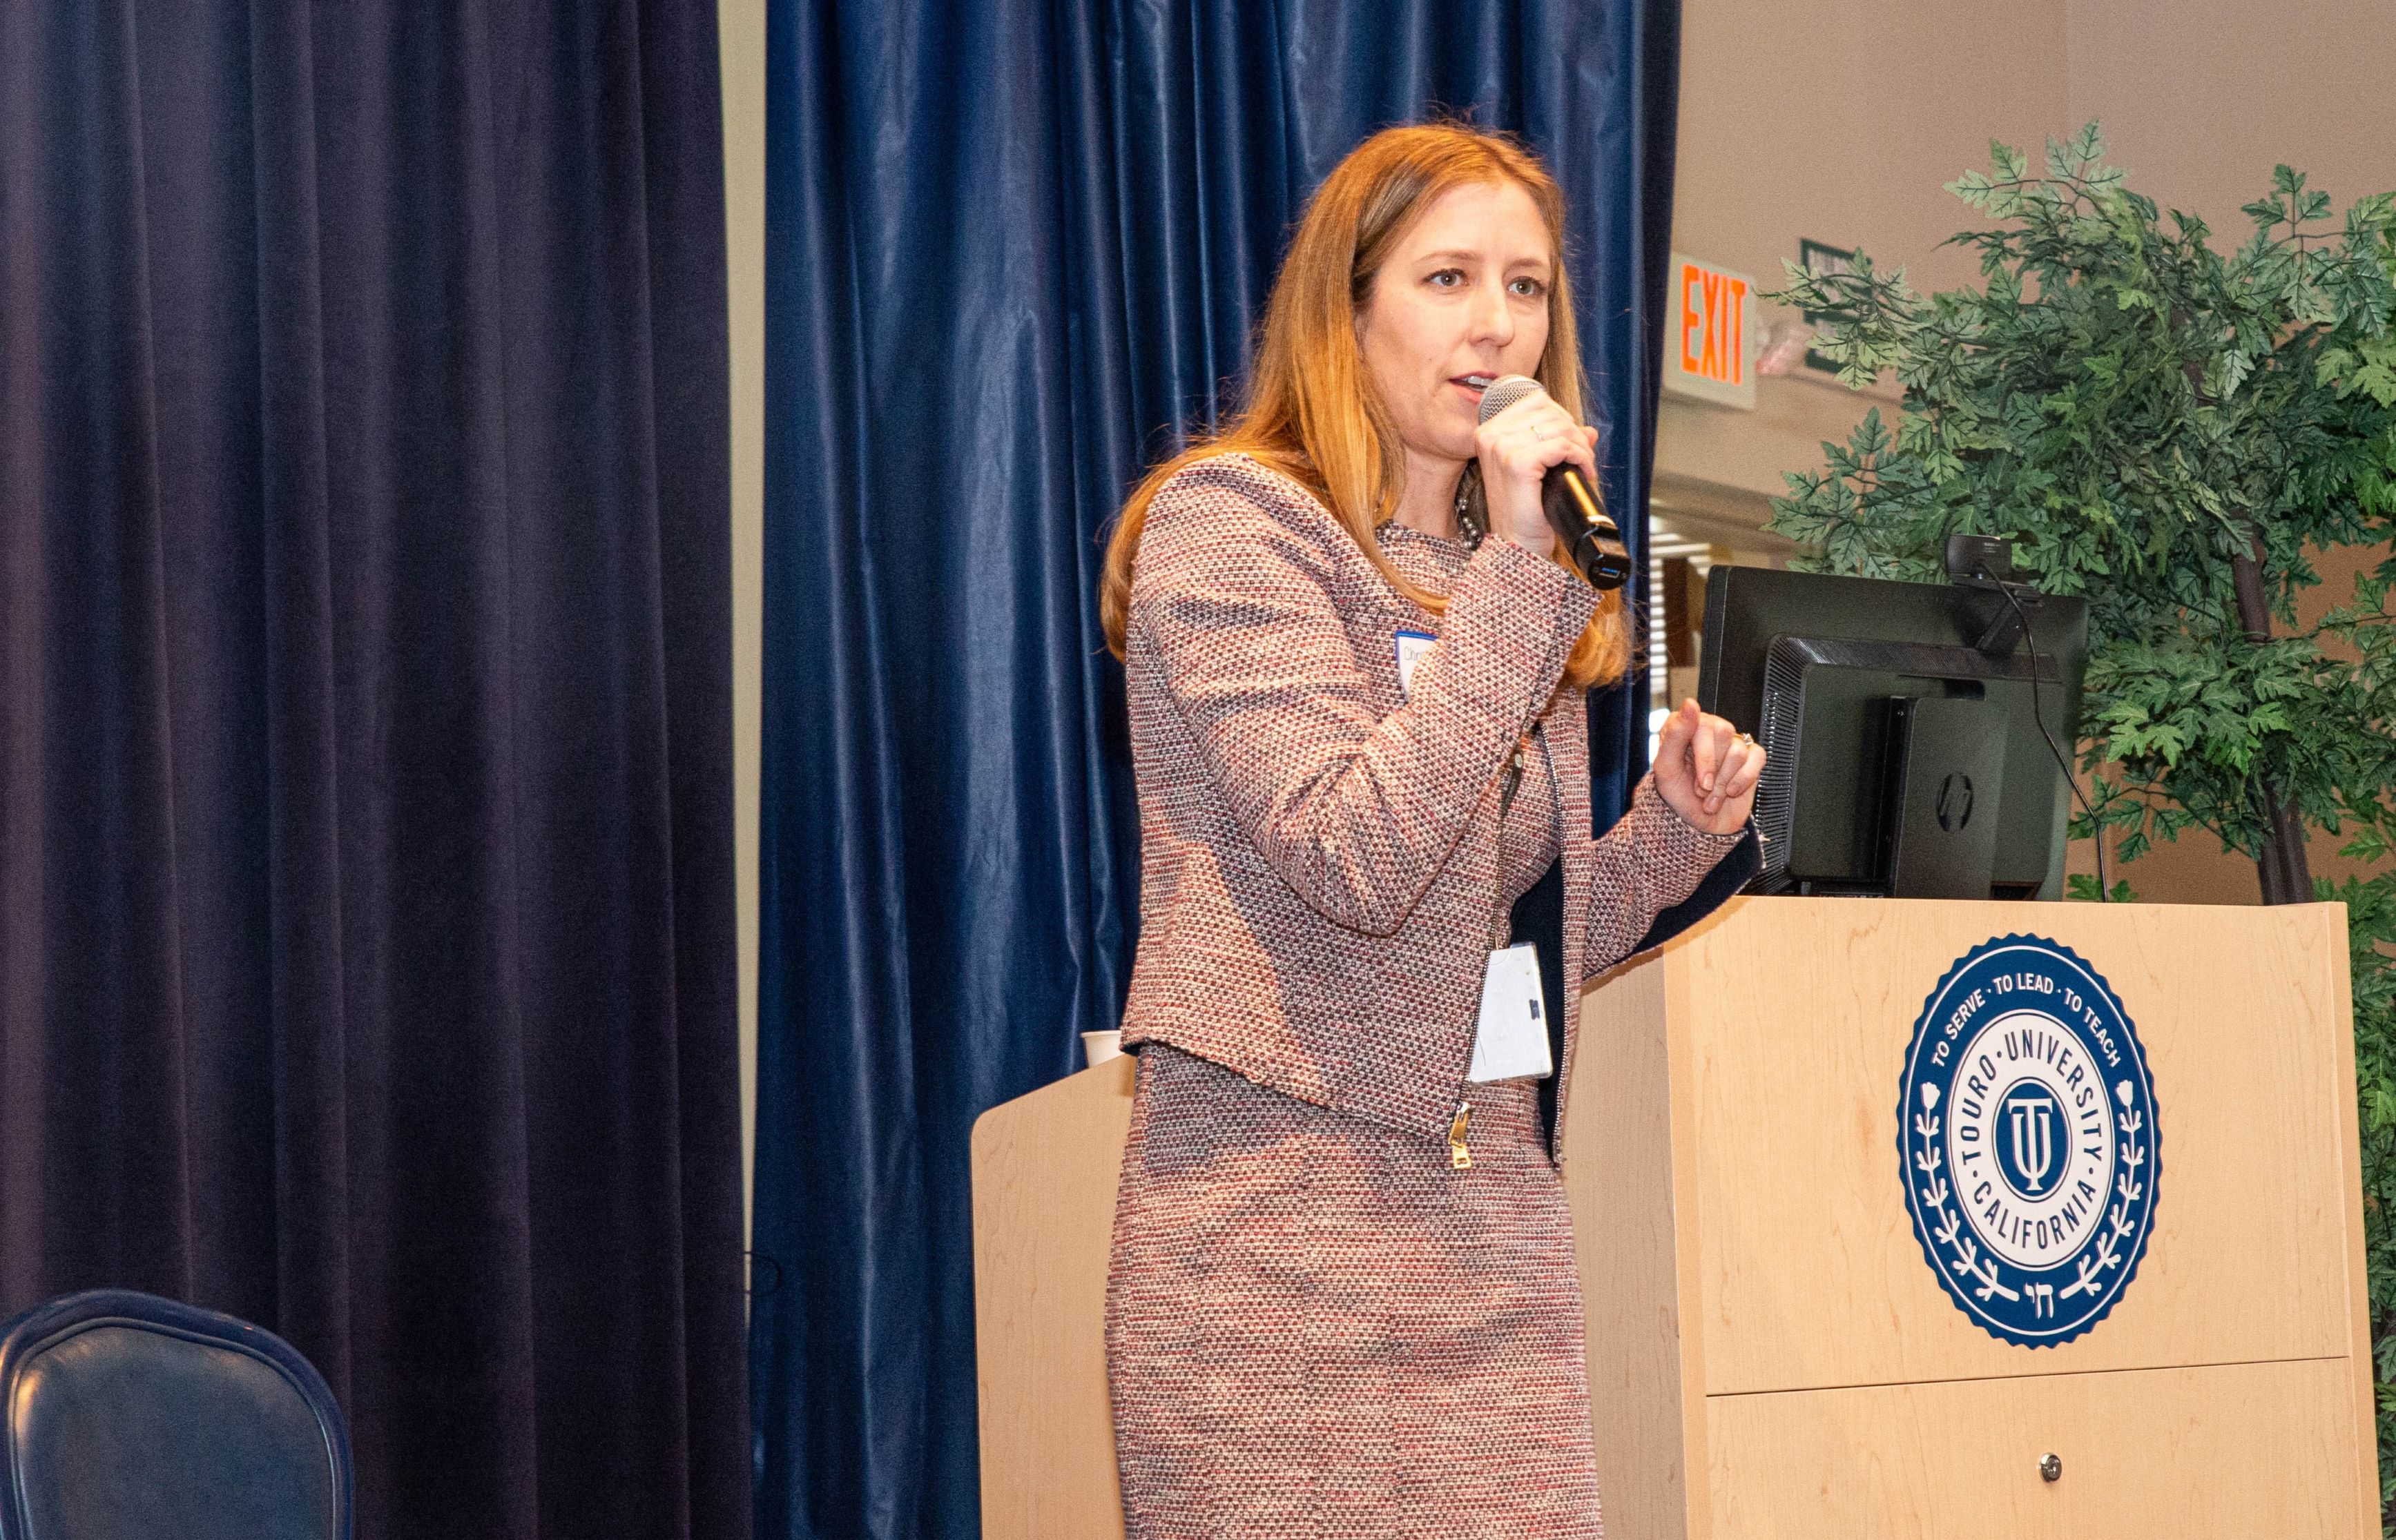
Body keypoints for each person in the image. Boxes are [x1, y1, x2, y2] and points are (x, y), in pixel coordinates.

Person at [1095, 122, 1764, 1540]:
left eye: (1525, 288)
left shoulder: (1502, 574)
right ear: (1347, 311)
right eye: (1447, 278)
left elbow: (1509, 927)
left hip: (1493, 1240)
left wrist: (1671, 832)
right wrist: (1523, 584)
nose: (1496, 325)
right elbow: (1352, 855)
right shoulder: (1233, 528)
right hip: (1273, 1246)